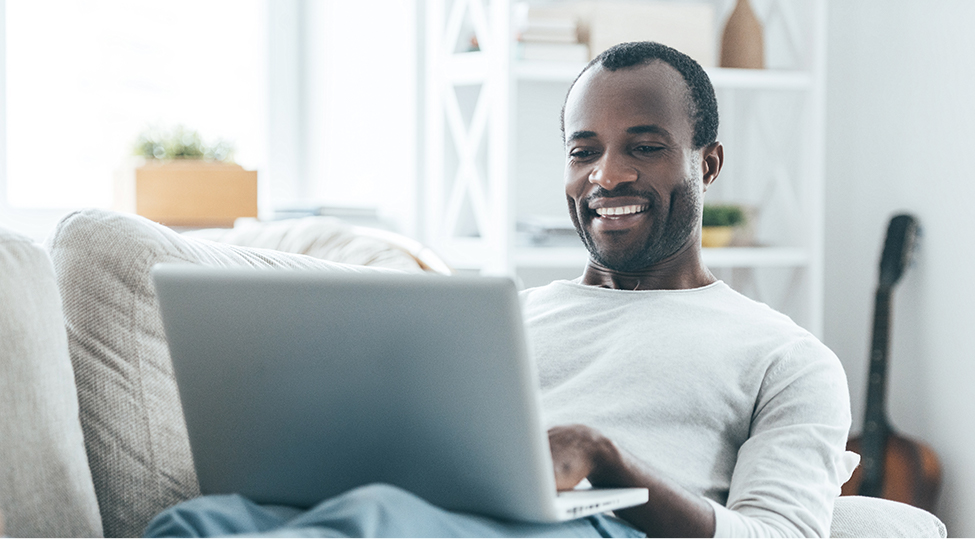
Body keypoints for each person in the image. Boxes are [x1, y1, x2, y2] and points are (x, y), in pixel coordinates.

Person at [145, 41, 855, 538]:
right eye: (584, 150)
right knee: (200, 520)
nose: (606, 175)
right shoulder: (493, 320)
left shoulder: (786, 357)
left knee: (375, 524)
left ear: (709, 163)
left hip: (594, 528)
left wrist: (605, 460)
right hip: (426, 513)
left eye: (644, 146)